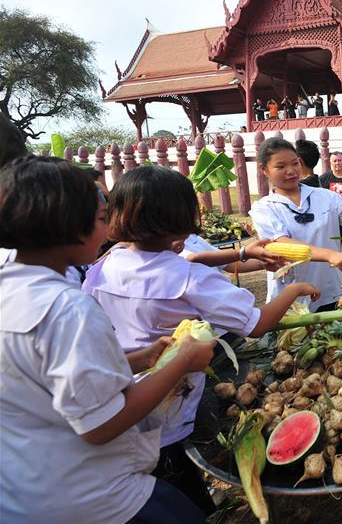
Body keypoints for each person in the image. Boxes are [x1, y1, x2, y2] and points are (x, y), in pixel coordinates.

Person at [82, 165, 320, 515]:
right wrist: (296, 289)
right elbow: (256, 324)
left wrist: (240, 253)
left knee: (155, 469)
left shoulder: (105, 264)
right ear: (180, 220)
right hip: (171, 394)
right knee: (178, 476)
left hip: (121, 389)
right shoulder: (187, 277)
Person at [0, 156, 216, 523]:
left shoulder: (11, 286)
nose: (110, 233)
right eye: (102, 219)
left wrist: (138, 359)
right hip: (95, 498)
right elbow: (102, 425)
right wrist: (183, 360)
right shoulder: (67, 308)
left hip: (24, 491)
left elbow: (41, 373)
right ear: (70, 225)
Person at [249, 138, 342, 310]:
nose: (291, 171)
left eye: (295, 163)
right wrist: (331, 255)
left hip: (330, 292)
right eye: (281, 167)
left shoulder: (326, 196)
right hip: (290, 299)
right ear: (264, 169)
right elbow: (282, 242)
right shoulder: (263, 208)